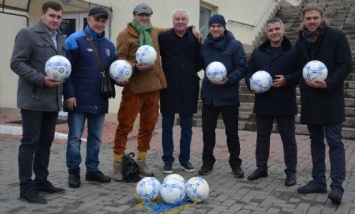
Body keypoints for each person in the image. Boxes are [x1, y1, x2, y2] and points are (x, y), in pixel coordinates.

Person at [112, 3, 201, 181]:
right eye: (141, 15)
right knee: (125, 126)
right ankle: (116, 165)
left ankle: (142, 161)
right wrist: (135, 67)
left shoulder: (155, 32)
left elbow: (176, 27)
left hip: (154, 88)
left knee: (147, 128)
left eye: (147, 15)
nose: (144, 18)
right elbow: (120, 60)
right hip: (134, 88)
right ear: (134, 15)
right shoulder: (124, 35)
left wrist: (192, 27)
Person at [295, 3, 352, 205]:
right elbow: (298, 66)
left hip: (330, 98)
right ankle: (319, 181)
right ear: (304, 20)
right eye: (308, 18)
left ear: (322, 18)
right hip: (310, 99)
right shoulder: (301, 40)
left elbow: (346, 64)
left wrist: (328, 83)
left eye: (315, 18)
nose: (311, 22)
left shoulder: (336, 36)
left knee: (335, 141)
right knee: (316, 141)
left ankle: (337, 186)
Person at [10, 1, 66, 204]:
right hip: (33, 99)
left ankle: (41, 181)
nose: (55, 20)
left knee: (45, 142)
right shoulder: (27, 34)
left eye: (59, 17)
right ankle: (26, 188)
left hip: (52, 101)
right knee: (30, 143)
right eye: (52, 16)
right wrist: (41, 79)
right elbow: (16, 63)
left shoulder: (61, 37)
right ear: (42, 15)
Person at [63, 7, 116, 188]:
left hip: (100, 99)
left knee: (95, 137)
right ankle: (73, 172)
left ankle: (92, 170)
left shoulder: (109, 45)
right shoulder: (74, 40)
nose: (100, 23)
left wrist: (121, 80)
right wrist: (69, 94)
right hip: (77, 99)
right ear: (88, 19)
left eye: (103, 20)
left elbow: (112, 73)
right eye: (97, 20)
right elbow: (66, 70)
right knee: (75, 137)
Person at [245, 18, 299, 187]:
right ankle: (261, 168)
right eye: (271, 30)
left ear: (283, 31)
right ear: (266, 33)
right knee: (262, 138)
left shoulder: (294, 50)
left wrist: (287, 80)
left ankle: (291, 172)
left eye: (277, 29)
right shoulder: (258, 52)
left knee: (288, 139)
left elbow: (301, 73)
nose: (274, 32)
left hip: (285, 102)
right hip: (264, 102)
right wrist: (251, 85)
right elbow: (249, 72)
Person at [198, 14, 247, 178]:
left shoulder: (235, 45)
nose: (216, 29)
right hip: (209, 97)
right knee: (207, 132)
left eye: (219, 26)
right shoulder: (204, 46)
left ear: (224, 27)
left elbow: (241, 68)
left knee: (232, 132)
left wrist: (228, 80)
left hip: (228, 96)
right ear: (210, 28)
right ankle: (207, 163)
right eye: (213, 26)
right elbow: (198, 63)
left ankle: (235, 164)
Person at [158, 9, 202, 174]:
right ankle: (167, 161)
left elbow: (200, 60)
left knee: (187, 127)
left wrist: (194, 28)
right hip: (168, 87)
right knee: (167, 126)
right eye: (177, 19)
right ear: (173, 21)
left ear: (187, 21)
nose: (180, 21)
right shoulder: (163, 37)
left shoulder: (195, 38)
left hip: (189, 86)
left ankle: (185, 160)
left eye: (184, 19)